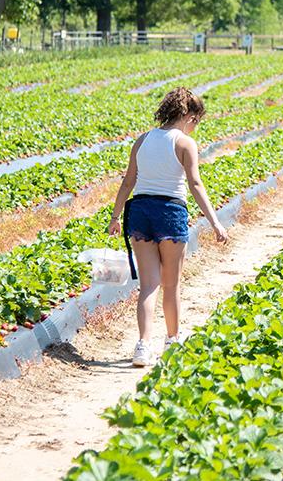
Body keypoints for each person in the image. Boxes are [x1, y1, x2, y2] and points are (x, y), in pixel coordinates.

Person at [108, 86, 228, 367]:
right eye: (196, 121)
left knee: (149, 285)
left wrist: (115, 217)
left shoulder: (142, 140)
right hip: (170, 212)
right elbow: (195, 185)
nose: (195, 127)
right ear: (187, 115)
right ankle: (173, 340)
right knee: (171, 284)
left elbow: (128, 181)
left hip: (139, 211)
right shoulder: (184, 143)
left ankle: (142, 345)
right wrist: (215, 222)